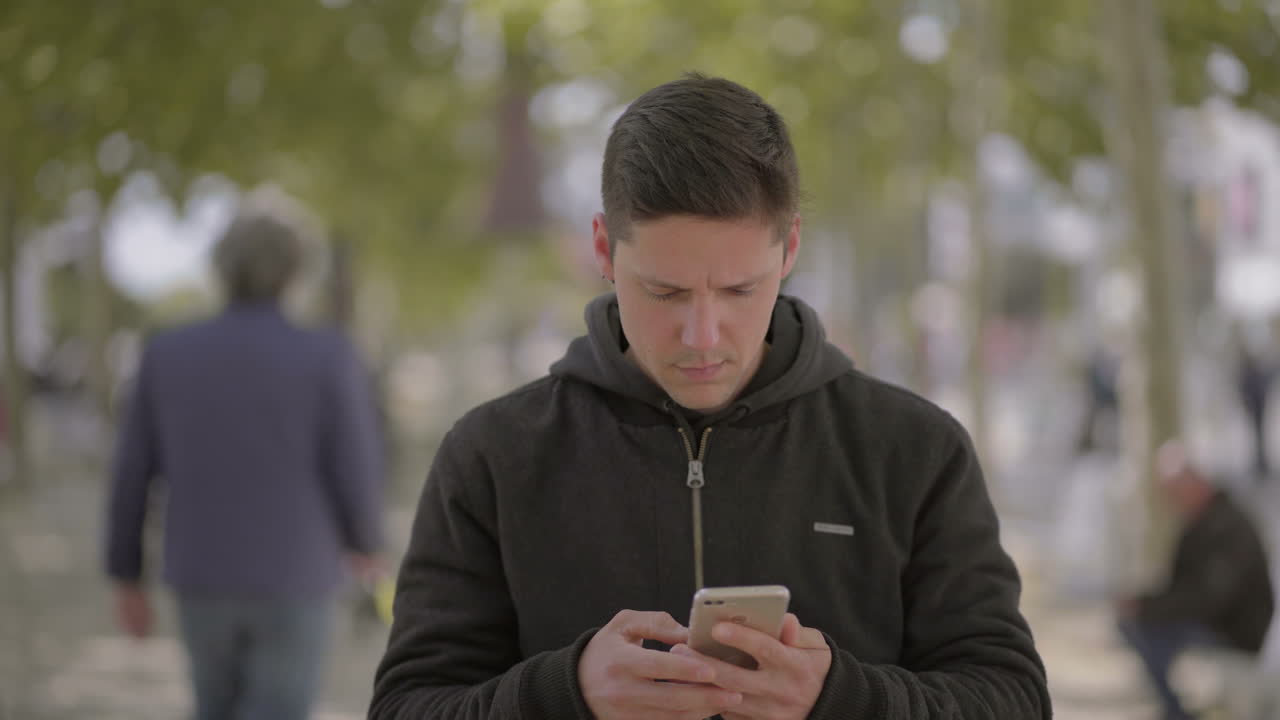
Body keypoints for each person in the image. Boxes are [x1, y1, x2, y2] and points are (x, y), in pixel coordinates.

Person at [371, 74, 1049, 719]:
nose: (702, 335)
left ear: (789, 250)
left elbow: (1014, 698)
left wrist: (844, 700)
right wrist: (566, 693)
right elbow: (406, 706)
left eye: (738, 290)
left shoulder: (914, 450)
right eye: (664, 292)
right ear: (604, 249)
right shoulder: (492, 456)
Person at [104, 198, 385, 720]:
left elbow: (130, 474)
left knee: (213, 707)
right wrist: (366, 544)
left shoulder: (167, 351)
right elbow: (353, 464)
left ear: (221, 266)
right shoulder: (327, 354)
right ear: (295, 270)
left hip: (200, 573)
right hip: (296, 575)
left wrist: (126, 574)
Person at [1116, 439, 1274, 720]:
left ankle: (1177, 712)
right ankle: (1175, 707)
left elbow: (1210, 597)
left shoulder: (1230, 526)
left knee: (1147, 628)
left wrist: (1148, 608)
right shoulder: (1196, 522)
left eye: (1175, 492)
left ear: (1194, 483)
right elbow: (1180, 586)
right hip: (1212, 619)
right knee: (1133, 621)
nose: (1172, 500)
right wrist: (1142, 602)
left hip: (1236, 630)